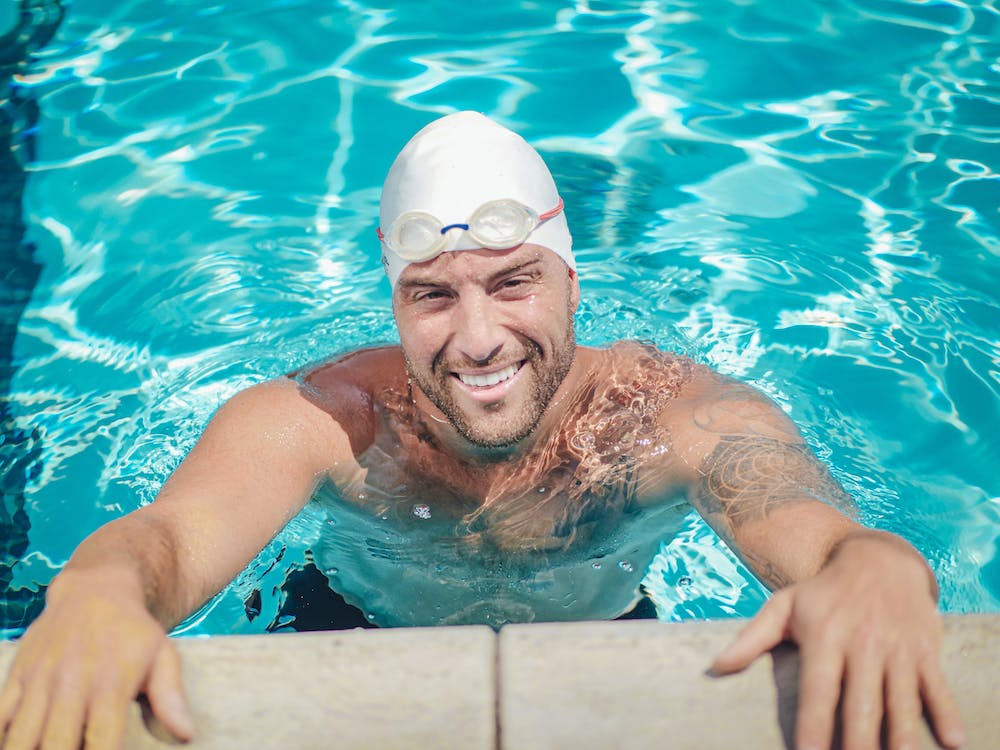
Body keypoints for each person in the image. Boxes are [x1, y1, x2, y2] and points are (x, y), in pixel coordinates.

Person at [0, 112, 964, 750]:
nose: (476, 339)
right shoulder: (328, 419)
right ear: (396, 303)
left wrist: (870, 564)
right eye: (433, 297)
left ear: (572, 282)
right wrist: (98, 588)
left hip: (601, 641)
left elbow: (805, 516)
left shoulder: (666, 417)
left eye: (513, 282)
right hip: (348, 628)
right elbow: (171, 538)